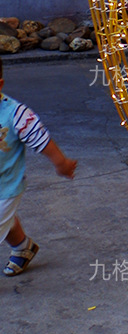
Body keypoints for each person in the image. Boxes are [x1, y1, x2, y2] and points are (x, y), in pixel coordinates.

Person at [0, 56, 77, 276]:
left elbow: (40, 139)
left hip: (5, 187)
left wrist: (60, 162)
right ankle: (23, 248)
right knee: (5, 221)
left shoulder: (16, 114)